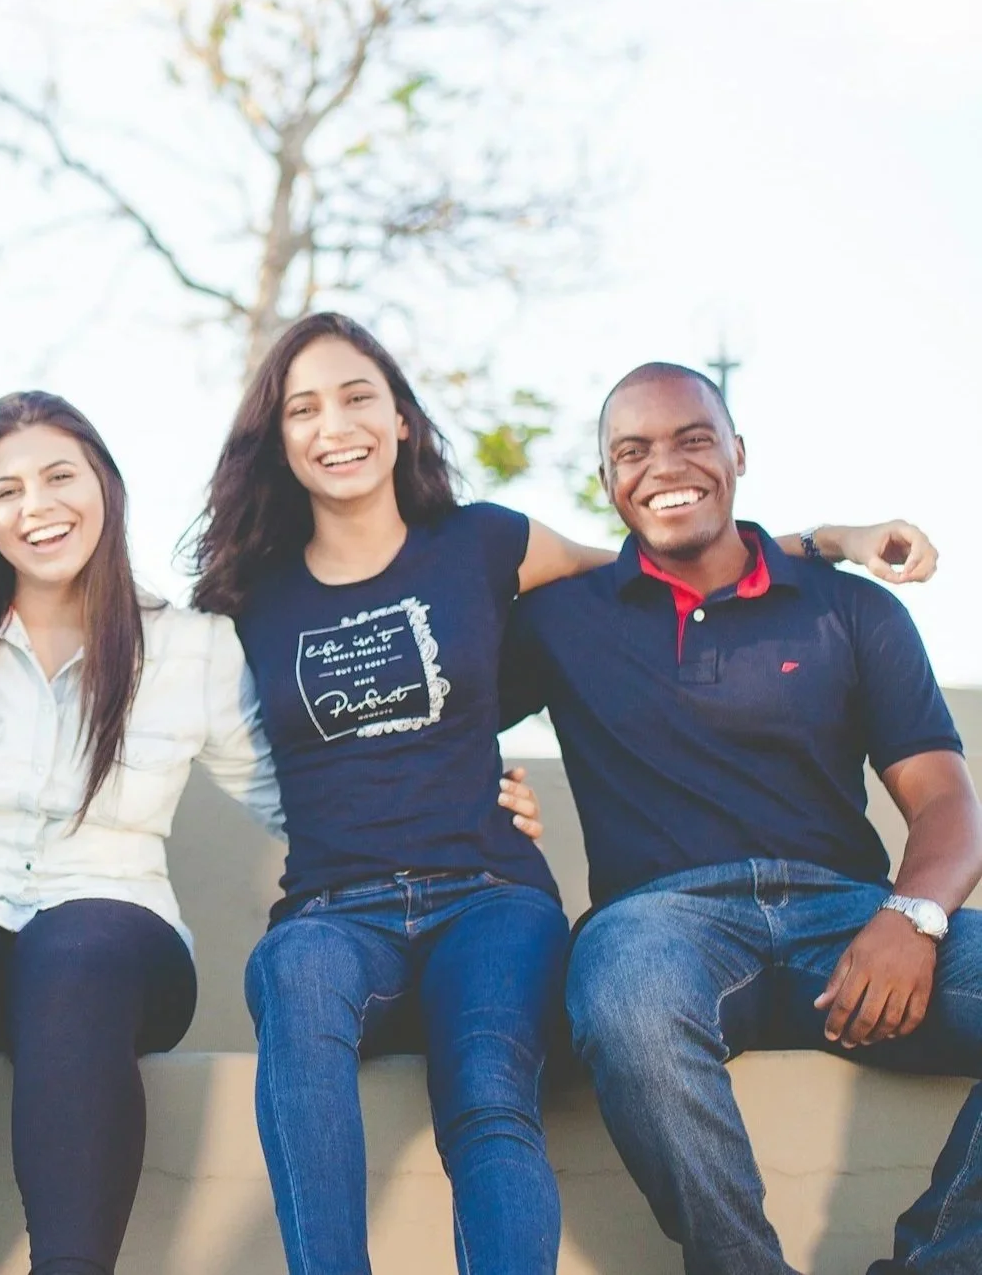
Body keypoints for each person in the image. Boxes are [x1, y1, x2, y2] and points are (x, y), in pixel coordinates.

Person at [190, 312, 927, 1275]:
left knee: (490, 1088)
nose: (336, 423)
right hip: (333, 905)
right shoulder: (251, 596)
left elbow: (664, 561)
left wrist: (829, 537)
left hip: (487, 893)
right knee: (295, 983)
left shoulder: (486, 542)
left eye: (358, 395)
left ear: (402, 419)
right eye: (304, 406)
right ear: (278, 437)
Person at [0, 389, 541, 1275]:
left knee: (77, 946)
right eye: (7, 490)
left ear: (104, 485)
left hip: (116, 945)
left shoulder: (190, 648)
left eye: (60, 476)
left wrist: (460, 796)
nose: (38, 507)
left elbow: (300, 794)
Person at [506, 361, 978, 1275]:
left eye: (691, 438)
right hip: (661, 926)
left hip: (846, 919)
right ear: (607, 482)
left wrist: (910, 916)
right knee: (625, 997)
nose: (663, 465)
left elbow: (947, 799)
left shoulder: (851, 609)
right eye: (631, 451)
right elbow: (424, 707)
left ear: (737, 453)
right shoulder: (559, 619)